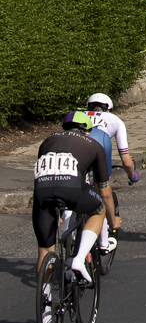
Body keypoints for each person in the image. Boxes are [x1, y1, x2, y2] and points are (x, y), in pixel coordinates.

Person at [33, 111, 120, 282]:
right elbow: (105, 192)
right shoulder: (93, 145)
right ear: (87, 131)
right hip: (71, 187)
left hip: (41, 191)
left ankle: (47, 303)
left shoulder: (47, 141)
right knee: (98, 209)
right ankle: (79, 258)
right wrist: (112, 221)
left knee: (45, 251)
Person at [85, 93, 138, 254]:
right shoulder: (115, 120)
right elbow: (126, 161)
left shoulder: (77, 116)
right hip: (100, 146)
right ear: (109, 108)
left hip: (75, 150)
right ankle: (103, 243)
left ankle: (68, 228)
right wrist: (132, 175)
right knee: (102, 192)